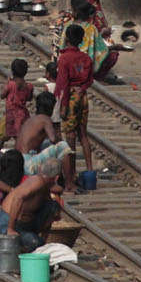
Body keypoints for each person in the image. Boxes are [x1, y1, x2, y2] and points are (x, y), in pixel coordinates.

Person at [53, 23, 97, 180]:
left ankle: (71, 174)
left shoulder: (64, 58)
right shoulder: (86, 58)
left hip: (71, 98)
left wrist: (63, 106)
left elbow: (63, 83)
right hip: (82, 96)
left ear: (67, 39)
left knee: (70, 136)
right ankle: (90, 170)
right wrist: (83, 87)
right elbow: (90, 79)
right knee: (83, 134)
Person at [0, 172, 61, 251]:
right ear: (56, 178)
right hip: (6, 224)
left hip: (24, 226)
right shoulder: (37, 182)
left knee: (53, 206)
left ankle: (39, 241)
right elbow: (17, 198)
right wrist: (10, 229)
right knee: (35, 243)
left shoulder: (45, 187)